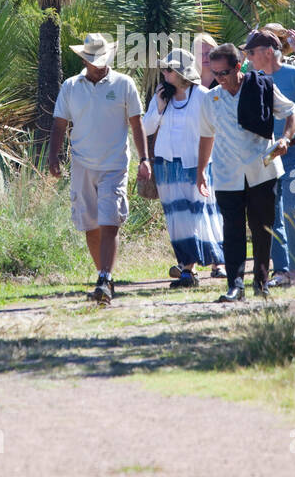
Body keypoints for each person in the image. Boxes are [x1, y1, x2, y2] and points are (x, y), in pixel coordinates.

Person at [48, 32, 150, 305]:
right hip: (82, 163)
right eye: (94, 59)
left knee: (110, 220)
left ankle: (104, 277)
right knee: (90, 224)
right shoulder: (71, 86)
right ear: (84, 59)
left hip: (114, 163)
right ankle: (103, 275)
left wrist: (144, 159)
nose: (99, 64)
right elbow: (59, 123)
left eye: (103, 59)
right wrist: (53, 155)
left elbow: (136, 123)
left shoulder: (124, 84)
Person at [197, 38, 295, 302]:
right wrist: (200, 171)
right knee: (232, 231)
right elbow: (206, 136)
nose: (220, 78)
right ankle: (235, 285)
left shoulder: (261, 87)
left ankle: (262, 281)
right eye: (215, 73)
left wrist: (286, 138)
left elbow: (292, 112)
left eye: (225, 72)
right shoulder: (211, 99)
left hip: (262, 169)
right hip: (226, 173)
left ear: (239, 66)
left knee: (262, 227)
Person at [142, 48, 225, 289]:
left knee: (197, 215)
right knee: (177, 219)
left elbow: (214, 128)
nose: (164, 73)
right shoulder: (161, 96)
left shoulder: (201, 95)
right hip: (167, 165)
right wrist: (158, 105)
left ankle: (192, 268)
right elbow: (146, 128)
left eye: (168, 70)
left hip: (196, 164)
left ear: (181, 73)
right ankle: (187, 267)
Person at [248, 24, 295, 286]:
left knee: (292, 208)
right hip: (267, 154)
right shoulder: (252, 79)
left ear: (266, 52)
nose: (248, 58)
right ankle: (281, 270)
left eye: (251, 52)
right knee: (271, 212)